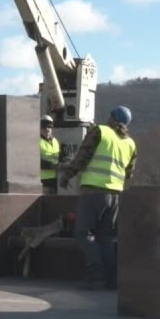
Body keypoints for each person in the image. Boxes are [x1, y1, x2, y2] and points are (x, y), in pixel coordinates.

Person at [59, 106, 137, 290]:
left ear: (111, 118)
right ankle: (111, 279)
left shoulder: (100, 131)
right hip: (115, 195)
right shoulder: (130, 144)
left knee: (82, 233)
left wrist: (67, 176)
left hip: (93, 191)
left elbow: (82, 158)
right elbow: (129, 173)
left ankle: (96, 274)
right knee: (107, 237)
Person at [39, 115, 62, 194]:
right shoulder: (37, 141)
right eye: (44, 127)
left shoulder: (55, 141)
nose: (47, 129)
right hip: (43, 181)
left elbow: (59, 156)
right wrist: (51, 165)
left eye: (49, 127)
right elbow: (36, 162)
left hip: (55, 181)